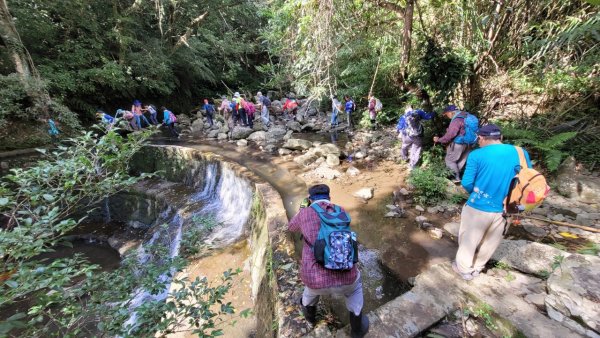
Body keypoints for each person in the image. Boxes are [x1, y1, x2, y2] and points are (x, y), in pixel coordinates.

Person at [288, 184, 369, 338]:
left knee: (309, 292)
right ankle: (357, 328)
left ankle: (310, 317)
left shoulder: (305, 213)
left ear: (310, 199)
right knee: (356, 287)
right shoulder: (341, 210)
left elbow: (291, 227)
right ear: (329, 198)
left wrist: (302, 208)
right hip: (347, 278)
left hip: (316, 282)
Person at [453, 124, 532, 280]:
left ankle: (464, 270)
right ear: (500, 137)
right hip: (507, 207)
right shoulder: (521, 152)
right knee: (492, 240)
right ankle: (478, 267)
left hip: (478, 206)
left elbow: (467, 182)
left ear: (481, 138)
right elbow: (527, 178)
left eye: (478, 139)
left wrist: (477, 193)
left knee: (469, 238)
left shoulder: (477, 155)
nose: (478, 142)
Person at [433, 105, 473, 182]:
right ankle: (457, 176)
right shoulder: (466, 115)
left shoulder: (456, 120)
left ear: (451, 112)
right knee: (461, 159)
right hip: (470, 143)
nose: (446, 116)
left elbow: (450, 135)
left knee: (449, 160)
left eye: (446, 114)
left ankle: (456, 178)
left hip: (459, 143)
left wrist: (439, 140)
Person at [396, 105, 435, 169]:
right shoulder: (418, 112)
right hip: (417, 135)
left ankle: (404, 157)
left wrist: (399, 132)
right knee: (416, 149)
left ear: (405, 109)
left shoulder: (403, 116)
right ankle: (412, 165)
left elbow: (399, 127)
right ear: (412, 107)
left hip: (407, 136)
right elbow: (428, 117)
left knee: (404, 146)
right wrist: (434, 113)